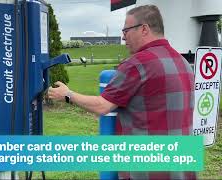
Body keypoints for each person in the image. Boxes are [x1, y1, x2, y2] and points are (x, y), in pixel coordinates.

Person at [48, 5, 196, 180]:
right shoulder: (183, 63)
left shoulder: (138, 63)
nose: (123, 36)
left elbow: (102, 106)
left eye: (126, 30)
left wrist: (67, 94)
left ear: (144, 29)